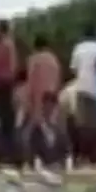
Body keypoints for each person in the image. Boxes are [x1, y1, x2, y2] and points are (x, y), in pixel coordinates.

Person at [22, 34, 62, 167]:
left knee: (31, 131)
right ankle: (54, 158)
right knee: (50, 128)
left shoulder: (34, 59)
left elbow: (31, 82)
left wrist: (28, 101)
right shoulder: (54, 59)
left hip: (39, 97)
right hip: (52, 96)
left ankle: (32, 159)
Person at [0, 19, 21, 165]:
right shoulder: (8, 44)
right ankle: (9, 153)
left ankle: (2, 153)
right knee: (6, 120)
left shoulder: (3, 45)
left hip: (1, 84)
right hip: (5, 84)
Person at [68, 26, 96, 156]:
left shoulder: (78, 48)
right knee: (95, 123)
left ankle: (84, 153)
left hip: (82, 87)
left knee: (82, 123)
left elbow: (73, 68)